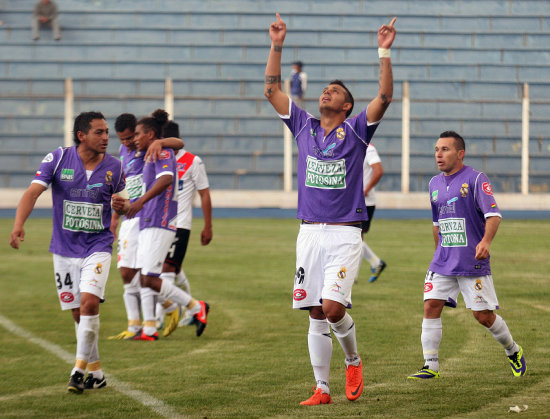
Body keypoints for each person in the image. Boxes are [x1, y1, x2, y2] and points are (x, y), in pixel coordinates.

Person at [264, 13, 396, 405]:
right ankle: (321, 389)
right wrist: (277, 44)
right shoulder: (303, 126)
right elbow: (271, 90)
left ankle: (353, 359)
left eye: (334, 91)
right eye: (324, 89)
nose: (326, 92)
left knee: (333, 306)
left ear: (348, 104)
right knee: (315, 312)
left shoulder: (355, 130)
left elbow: (385, 97)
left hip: (344, 232)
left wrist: (384, 51)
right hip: (309, 231)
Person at [10, 111, 129, 393]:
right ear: (81, 135)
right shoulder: (58, 159)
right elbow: (32, 192)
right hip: (64, 249)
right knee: (79, 313)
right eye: (99, 132)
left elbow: (124, 200)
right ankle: (97, 373)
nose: (105, 137)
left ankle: (78, 371)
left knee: (89, 303)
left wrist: (122, 207)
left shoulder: (116, 166)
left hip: (98, 246)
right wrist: (18, 225)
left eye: (106, 132)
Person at [408, 131, 526, 379]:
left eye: (445, 149)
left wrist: (485, 241)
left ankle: (513, 350)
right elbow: (436, 223)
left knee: (483, 316)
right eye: (436, 149)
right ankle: (431, 365)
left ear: (460, 153)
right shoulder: (433, 184)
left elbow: (493, 215)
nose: (439, 154)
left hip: (471, 262)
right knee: (431, 305)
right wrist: (438, 249)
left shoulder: (475, 179)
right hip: (442, 261)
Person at [125, 109, 209, 341]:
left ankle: (194, 306)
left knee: (152, 277)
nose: (134, 139)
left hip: (161, 221)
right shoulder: (145, 153)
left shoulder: (161, 152)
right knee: (144, 277)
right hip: (147, 220)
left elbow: (166, 179)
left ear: (150, 134)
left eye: (138, 135)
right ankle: (150, 328)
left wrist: (141, 201)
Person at [108, 113, 184, 340]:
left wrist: (160, 141)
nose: (127, 143)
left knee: (142, 273)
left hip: (145, 214)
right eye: (122, 139)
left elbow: (178, 144)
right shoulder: (124, 152)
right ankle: (139, 323)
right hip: (128, 216)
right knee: (126, 273)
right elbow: (124, 184)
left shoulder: (150, 146)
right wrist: (114, 218)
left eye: (130, 137)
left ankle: (152, 322)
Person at [156, 120, 213, 334]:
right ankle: (195, 308)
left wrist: (208, 226)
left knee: (166, 271)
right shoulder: (159, 160)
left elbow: (204, 193)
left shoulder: (192, 161)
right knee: (173, 269)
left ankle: (158, 319)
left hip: (180, 224)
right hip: (160, 223)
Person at [360, 143, 386, 283]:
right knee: (356, 238)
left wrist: (365, 190)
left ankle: (375, 263)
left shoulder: (368, 148)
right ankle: (375, 263)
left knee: (355, 238)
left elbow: (379, 170)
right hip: (354, 201)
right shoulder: (352, 144)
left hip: (364, 201)